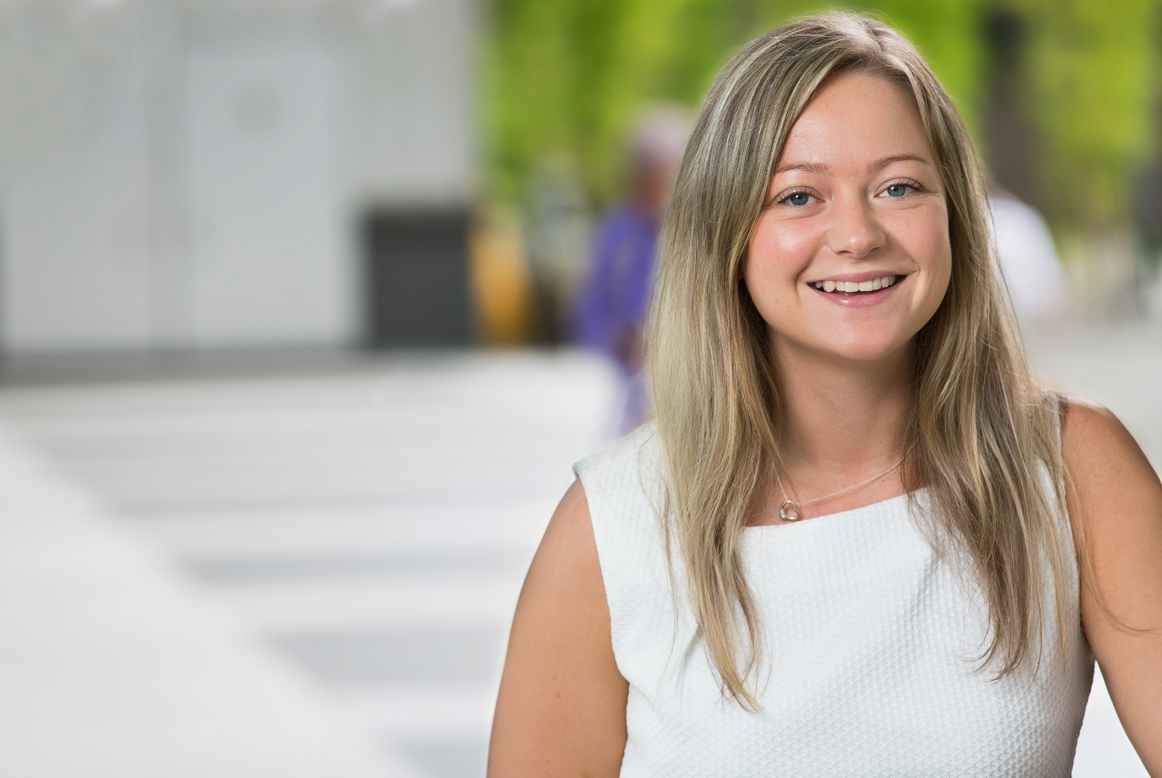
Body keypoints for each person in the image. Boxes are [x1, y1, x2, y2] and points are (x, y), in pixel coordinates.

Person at [490, 13, 1162, 776]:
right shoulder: (611, 530)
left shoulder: (1072, 473)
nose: (858, 234)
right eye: (799, 196)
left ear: (955, 214)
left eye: (899, 187)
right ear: (727, 232)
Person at [573, 108, 688, 433]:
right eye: (647, 171)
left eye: (666, 170)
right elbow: (590, 313)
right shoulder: (617, 232)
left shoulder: (694, 231)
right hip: (631, 389)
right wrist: (621, 342)